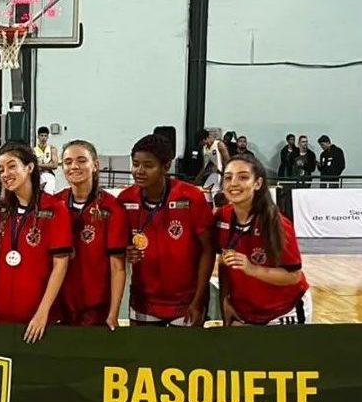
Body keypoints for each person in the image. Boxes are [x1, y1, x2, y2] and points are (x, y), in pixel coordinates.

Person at [0, 143, 71, 343]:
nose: (5, 174)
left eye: (12, 166)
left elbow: (60, 265)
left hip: (37, 321)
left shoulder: (55, 209)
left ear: (30, 167)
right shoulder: (1, 211)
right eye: (0, 170)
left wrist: (42, 313)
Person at [119, 134, 213, 327]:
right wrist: (125, 251)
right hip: (143, 302)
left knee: (184, 357)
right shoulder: (125, 199)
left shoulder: (191, 197)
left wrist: (198, 300)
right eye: (135, 164)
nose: (139, 171)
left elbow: (208, 250)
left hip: (187, 303)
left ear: (166, 167)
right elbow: (118, 247)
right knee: (141, 357)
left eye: (148, 165)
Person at [216, 155, 311, 325]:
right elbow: (223, 264)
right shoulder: (222, 216)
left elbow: (294, 276)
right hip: (244, 311)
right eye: (228, 177)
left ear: (257, 184)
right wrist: (225, 301)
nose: (234, 183)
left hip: (283, 311)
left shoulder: (277, 223)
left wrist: (251, 268)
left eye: (243, 177)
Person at [52, 140, 127, 329]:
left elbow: (118, 267)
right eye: (68, 162)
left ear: (95, 165)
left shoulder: (112, 208)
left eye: (81, 160)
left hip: (96, 310)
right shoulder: (54, 204)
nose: (74, 166)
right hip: (59, 307)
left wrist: (113, 313)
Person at [194, 129, 229, 196]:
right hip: (214, 174)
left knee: (216, 197)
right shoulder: (204, 149)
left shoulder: (219, 145)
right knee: (205, 195)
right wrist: (196, 181)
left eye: (201, 142)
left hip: (222, 174)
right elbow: (204, 166)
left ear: (204, 139)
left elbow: (228, 163)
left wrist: (225, 179)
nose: (201, 145)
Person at [33, 126, 59, 193]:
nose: (43, 138)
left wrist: (39, 165)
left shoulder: (52, 149)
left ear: (48, 137)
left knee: (49, 194)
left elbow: (55, 165)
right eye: (41, 136)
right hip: (37, 175)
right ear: (38, 136)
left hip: (48, 174)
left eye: (45, 136)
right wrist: (47, 165)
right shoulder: (33, 150)